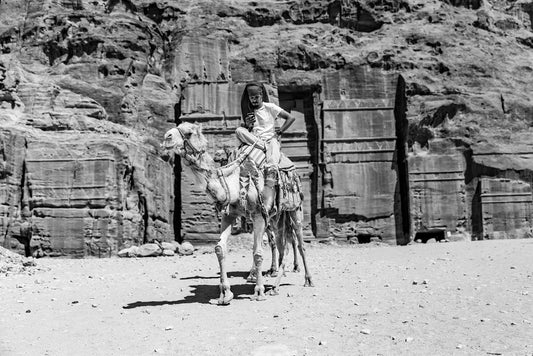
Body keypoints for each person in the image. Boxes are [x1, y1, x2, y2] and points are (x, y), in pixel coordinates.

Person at [235, 82, 296, 214]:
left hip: (270, 139)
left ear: (261, 95)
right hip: (256, 141)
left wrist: (280, 131)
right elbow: (246, 131)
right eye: (251, 98)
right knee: (239, 130)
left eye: (256, 97)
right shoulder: (248, 111)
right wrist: (248, 125)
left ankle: (271, 178)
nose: (254, 100)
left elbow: (290, 118)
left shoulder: (270, 107)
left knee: (272, 157)